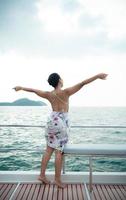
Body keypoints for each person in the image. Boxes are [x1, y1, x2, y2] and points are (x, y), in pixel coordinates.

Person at [13, 72, 108, 188]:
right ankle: (57, 180)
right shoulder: (65, 92)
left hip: (51, 121)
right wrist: (98, 76)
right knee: (59, 151)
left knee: (48, 150)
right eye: (61, 78)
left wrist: (21, 88)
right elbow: (83, 83)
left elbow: (34, 90)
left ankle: (42, 175)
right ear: (59, 81)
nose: (63, 79)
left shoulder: (48, 94)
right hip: (61, 123)